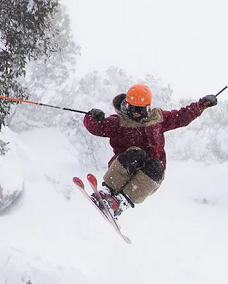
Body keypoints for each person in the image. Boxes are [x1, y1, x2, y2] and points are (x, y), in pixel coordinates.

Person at [83, 84, 219, 217]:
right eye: (132, 108)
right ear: (127, 104)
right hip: (124, 168)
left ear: (148, 108)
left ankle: (120, 202)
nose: (136, 113)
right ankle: (106, 191)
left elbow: (182, 117)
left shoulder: (157, 119)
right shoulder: (119, 122)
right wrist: (92, 117)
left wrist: (202, 104)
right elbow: (96, 128)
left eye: (140, 110)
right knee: (137, 154)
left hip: (148, 177)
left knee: (157, 165)